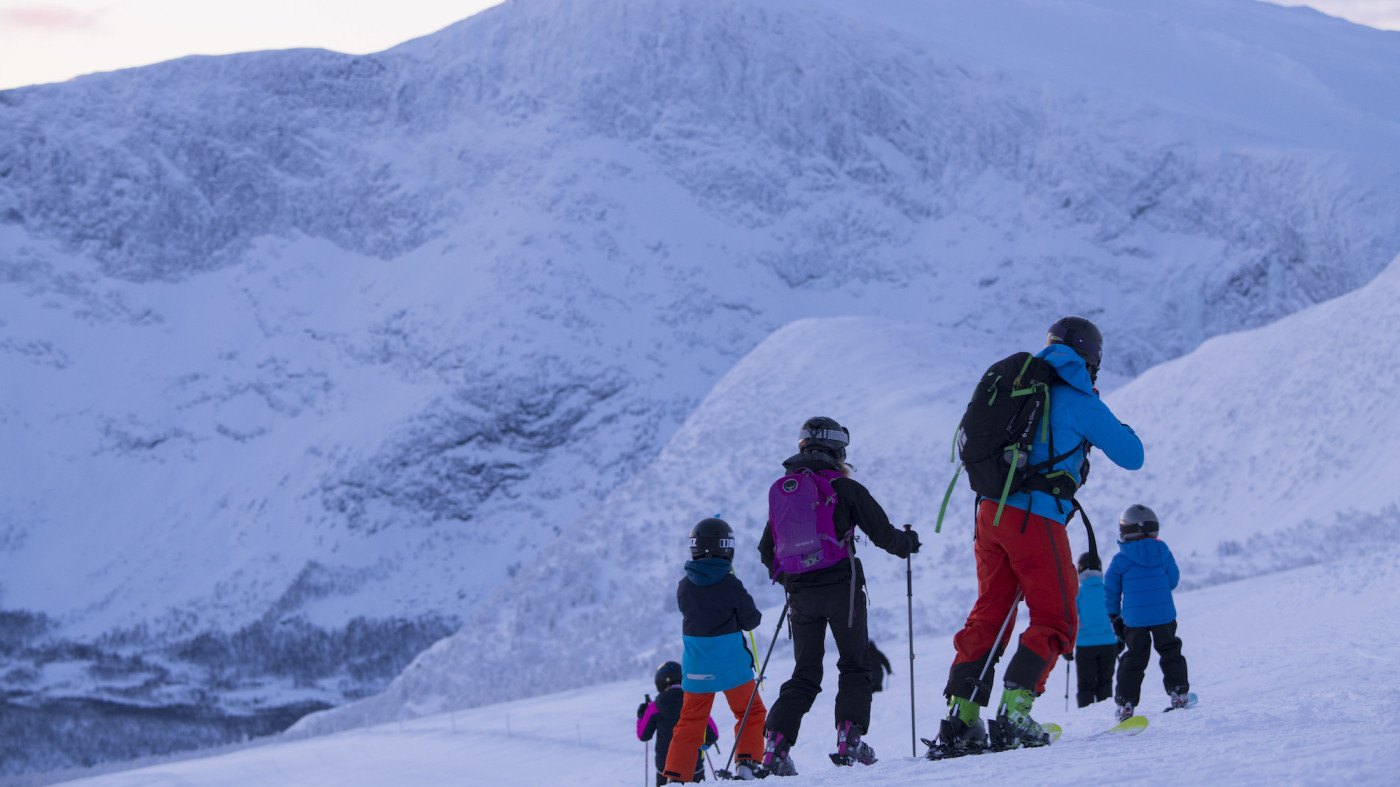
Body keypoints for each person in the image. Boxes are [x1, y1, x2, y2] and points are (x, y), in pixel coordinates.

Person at [931, 317, 1144, 756]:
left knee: (991, 612)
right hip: (1033, 518)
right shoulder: (1078, 399)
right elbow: (1132, 456)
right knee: (1057, 615)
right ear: (1092, 358)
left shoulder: (1023, 387)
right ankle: (1014, 715)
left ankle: (961, 720)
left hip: (990, 513)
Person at [757, 416, 920, 774]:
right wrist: (909, 542)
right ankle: (850, 740)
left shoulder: (785, 490)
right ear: (837, 449)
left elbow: (767, 550)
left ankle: (775, 748)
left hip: (801, 598)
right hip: (842, 592)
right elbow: (885, 536)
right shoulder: (846, 488)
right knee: (854, 664)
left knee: (805, 672)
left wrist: (792, 582)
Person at [662, 518, 768, 782]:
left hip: (696, 668)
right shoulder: (730, 583)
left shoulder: (684, 586)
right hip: (732, 666)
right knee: (750, 713)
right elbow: (751, 620)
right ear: (725, 547)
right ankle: (747, 765)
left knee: (690, 722)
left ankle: (676, 777)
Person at [1105, 503, 1191, 721]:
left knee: (1134, 658)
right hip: (1164, 615)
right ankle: (1179, 693)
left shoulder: (1120, 559)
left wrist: (1114, 616)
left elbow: (1111, 591)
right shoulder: (1163, 551)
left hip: (1134, 620)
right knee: (1170, 650)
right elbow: (1173, 580)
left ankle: (1126, 704)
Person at [638, 661, 719, 785]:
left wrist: (641, 717)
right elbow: (713, 734)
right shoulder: (694, 703)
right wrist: (701, 745)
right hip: (694, 768)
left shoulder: (654, 707)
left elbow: (643, 735)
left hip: (665, 770)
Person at [1066, 551, 1119, 707]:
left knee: (1085, 685)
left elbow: (1072, 620)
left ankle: (1086, 717)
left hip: (1085, 645)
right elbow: (1118, 615)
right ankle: (1104, 714)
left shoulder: (1078, 593)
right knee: (1105, 682)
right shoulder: (1109, 589)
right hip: (1109, 643)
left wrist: (1067, 647)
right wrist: (1121, 639)